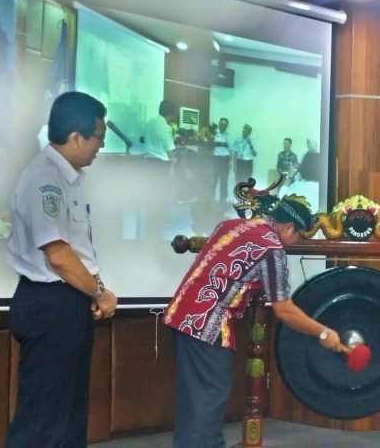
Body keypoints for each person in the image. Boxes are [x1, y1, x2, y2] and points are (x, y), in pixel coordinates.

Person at [162, 194, 340, 448]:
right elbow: (284, 309)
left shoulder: (230, 225)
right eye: (299, 236)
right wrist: (323, 332)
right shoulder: (272, 249)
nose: (296, 243)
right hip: (207, 326)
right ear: (288, 227)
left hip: (182, 315)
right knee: (206, 406)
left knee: (194, 403)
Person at [5, 91, 118, 447]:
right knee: (42, 419)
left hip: (68, 302)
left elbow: (78, 251)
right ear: (76, 137)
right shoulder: (45, 179)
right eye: (99, 137)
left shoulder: (68, 178)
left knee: (68, 414)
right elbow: (57, 255)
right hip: (50, 305)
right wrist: (100, 292)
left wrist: (93, 289)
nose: (101, 145)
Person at [142, 99, 177, 239]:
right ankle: (160, 223)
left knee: (151, 194)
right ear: (171, 113)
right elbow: (170, 150)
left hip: (148, 163)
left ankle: (150, 223)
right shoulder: (165, 127)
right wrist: (173, 163)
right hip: (161, 165)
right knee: (163, 195)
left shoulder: (149, 123)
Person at [212, 117, 232, 205]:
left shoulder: (228, 135)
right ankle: (211, 201)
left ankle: (222, 202)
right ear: (219, 124)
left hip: (225, 160)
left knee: (224, 182)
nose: (223, 126)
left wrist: (231, 161)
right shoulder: (213, 134)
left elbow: (231, 149)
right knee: (213, 181)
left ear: (226, 126)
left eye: (225, 125)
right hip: (215, 159)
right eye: (222, 124)